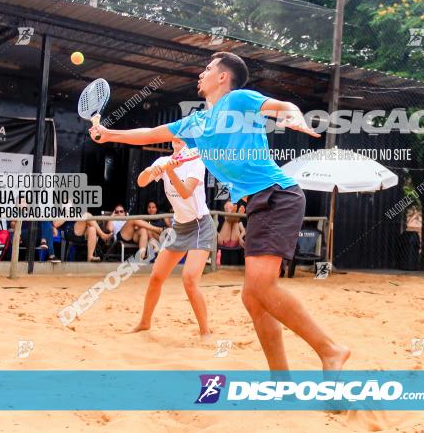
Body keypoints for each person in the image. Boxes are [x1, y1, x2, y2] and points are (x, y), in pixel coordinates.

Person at [89, 51, 349, 371]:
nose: (202, 73)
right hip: (258, 204)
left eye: (208, 69)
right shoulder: (197, 122)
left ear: (222, 77)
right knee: (253, 298)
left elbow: (280, 106)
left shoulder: (238, 100)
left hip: (279, 196)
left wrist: (292, 115)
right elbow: (152, 134)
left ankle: (330, 350)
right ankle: (281, 378)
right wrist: (109, 134)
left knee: (262, 288)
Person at [129, 137, 215, 338]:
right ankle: (144, 323)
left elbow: (185, 193)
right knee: (156, 277)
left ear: (190, 145)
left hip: (200, 225)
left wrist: (169, 171)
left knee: (189, 280)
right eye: (175, 142)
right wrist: (152, 171)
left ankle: (205, 331)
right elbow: (141, 182)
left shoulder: (196, 163)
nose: (178, 146)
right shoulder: (162, 161)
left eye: (182, 142)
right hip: (179, 226)